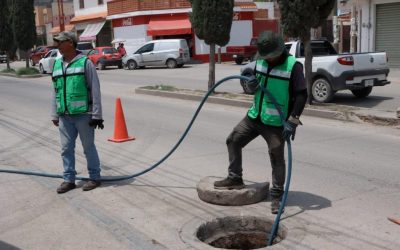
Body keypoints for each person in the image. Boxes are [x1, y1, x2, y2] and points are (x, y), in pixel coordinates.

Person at [213, 31, 308, 214]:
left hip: (276, 122)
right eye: (265, 56)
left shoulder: (293, 67)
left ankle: (277, 195)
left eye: (270, 56)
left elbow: (302, 95)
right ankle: (235, 178)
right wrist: (249, 86)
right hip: (255, 116)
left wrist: (293, 120)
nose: (268, 59)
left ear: (279, 51)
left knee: (276, 155)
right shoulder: (261, 62)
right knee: (233, 140)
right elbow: (250, 84)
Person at [51, 31, 104, 194]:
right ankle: (69, 179)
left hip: (83, 114)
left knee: (88, 147)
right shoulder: (57, 64)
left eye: (60, 42)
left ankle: (94, 177)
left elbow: (95, 89)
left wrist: (97, 115)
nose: (57, 46)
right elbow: (55, 90)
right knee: (66, 148)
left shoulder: (85, 63)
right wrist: (54, 113)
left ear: (71, 43)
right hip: (65, 115)